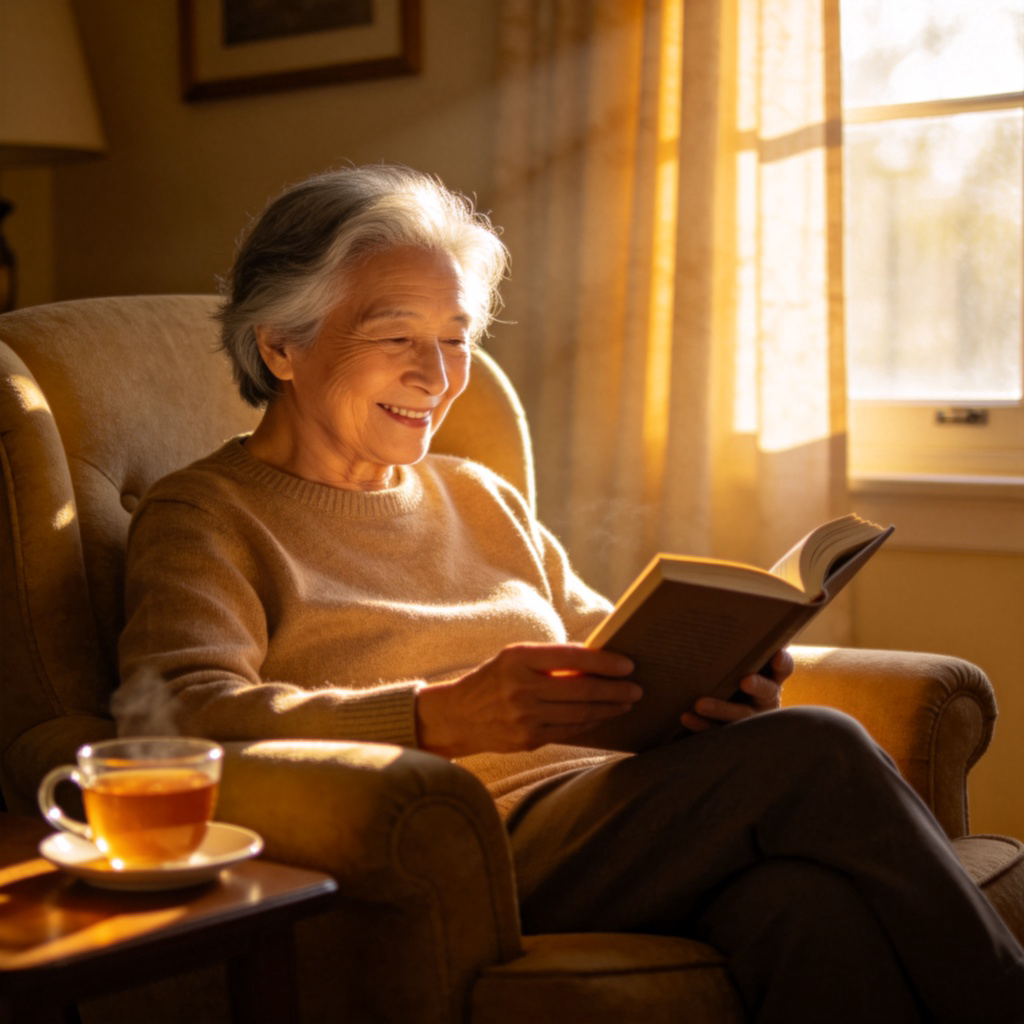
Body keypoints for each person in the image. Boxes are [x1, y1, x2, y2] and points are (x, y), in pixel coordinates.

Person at [116, 164, 1024, 1022]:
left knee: (804, 906)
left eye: (455, 340)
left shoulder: (476, 491)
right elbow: (174, 719)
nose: (436, 379)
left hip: (614, 815)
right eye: (396, 338)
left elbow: (603, 635)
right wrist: (437, 717)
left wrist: (728, 680)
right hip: (461, 846)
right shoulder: (205, 513)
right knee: (819, 747)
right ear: (281, 345)